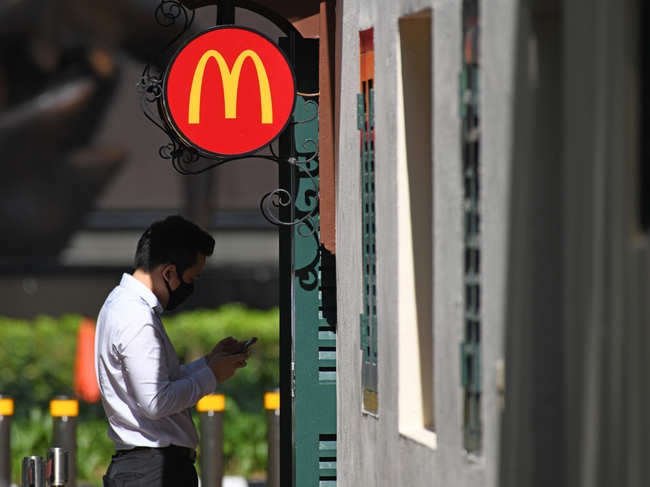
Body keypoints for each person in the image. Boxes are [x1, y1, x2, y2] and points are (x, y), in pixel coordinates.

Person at [96, 215, 250, 487]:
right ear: (168, 273)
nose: (189, 288)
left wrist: (209, 363)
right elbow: (156, 401)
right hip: (155, 471)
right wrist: (212, 375)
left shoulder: (122, 304)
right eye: (190, 278)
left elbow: (162, 381)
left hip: (147, 468)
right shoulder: (136, 317)